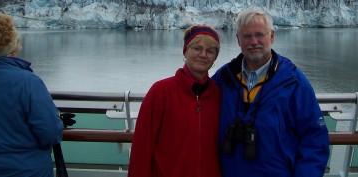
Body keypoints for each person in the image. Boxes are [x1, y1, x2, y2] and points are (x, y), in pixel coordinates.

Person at [212, 9, 329, 177]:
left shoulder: (292, 81)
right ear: (238, 40)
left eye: (260, 35)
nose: (253, 42)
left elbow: (315, 138)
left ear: (272, 36)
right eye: (246, 36)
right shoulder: (224, 79)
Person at [128, 25, 222, 177]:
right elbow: (142, 147)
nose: (203, 55)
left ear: (215, 57)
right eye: (197, 48)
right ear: (185, 51)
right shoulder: (160, 92)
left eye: (210, 51)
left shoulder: (218, 96)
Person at [0, 13, 65, 177]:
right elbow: (50, 132)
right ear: (12, 44)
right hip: (24, 169)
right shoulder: (27, 82)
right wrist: (59, 121)